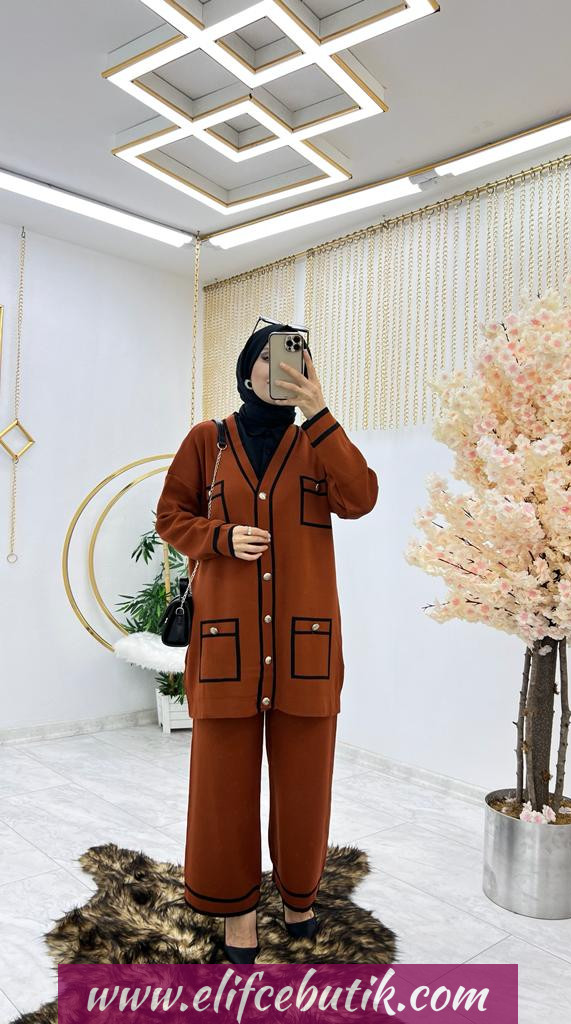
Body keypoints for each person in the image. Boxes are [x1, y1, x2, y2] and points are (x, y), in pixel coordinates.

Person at [155, 319, 379, 962]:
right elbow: (171, 516)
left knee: (305, 779)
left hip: (306, 647)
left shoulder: (317, 441)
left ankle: (300, 897)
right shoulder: (208, 440)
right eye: (272, 358)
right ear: (248, 367)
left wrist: (320, 413)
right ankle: (236, 912)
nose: (284, 369)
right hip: (226, 645)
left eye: (298, 360)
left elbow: (360, 498)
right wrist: (221, 538)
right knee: (223, 785)